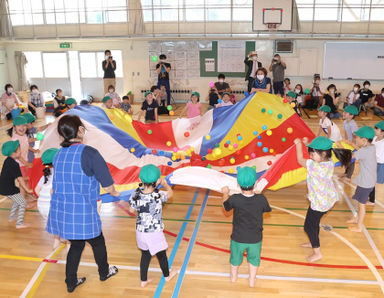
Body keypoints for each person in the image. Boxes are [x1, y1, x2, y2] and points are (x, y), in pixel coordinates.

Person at [46, 114, 120, 293]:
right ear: (80, 130)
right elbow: (108, 185)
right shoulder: (89, 153)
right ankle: (104, 272)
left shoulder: (58, 155)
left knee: (77, 244)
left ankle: (70, 282)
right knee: (97, 241)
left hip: (63, 210)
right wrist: (116, 193)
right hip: (83, 211)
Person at [294, 136, 351, 262]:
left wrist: (298, 145)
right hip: (325, 200)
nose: (310, 156)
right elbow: (316, 156)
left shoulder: (315, 166)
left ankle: (317, 252)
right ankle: (313, 241)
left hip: (319, 203)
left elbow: (299, 160)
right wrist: (307, 144)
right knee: (313, 224)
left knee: (308, 227)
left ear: (323, 153)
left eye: (312, 154)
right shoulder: (328, 161)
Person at [127, 164, 179, 287]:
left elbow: (131, 210)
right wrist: (166, 185)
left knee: (145, 255)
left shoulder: (136, 193)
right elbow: (170, 194)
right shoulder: (158, 195)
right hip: (154, 233)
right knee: (162, 255)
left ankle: (143, 280)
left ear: (140, 180)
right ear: (157, 181)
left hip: (140, 232)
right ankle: (167, 275)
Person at [221, 166, 271, 287]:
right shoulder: (261, 199)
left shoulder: (235, 199)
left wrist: (225, 193)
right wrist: (258, 195)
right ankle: (252, 280)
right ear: (255, 183)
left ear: (238, 184)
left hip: (238, 238)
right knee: (254, 260)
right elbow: (266, 209)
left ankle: (233, 277)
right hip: (255, 239)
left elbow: (226, 207)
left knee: (235, 259)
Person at [35, 148, 69, 249]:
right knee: (66, 221)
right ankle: (68, 243)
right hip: (51, 207)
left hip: (41, 207)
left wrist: (43, 198)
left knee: (55, 223)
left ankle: (56, 241)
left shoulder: (45, 175)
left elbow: (37, 190)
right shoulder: (59, 175)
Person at [345, 127, 376, 232]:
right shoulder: (371, 147)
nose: (356, 140)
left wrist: (341, 149)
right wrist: (351, 144)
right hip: (367, 180)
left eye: (357, 138)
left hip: (366, 182)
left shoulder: (364, 151)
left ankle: (359, 226)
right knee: (360, 201)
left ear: (364, 140)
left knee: (361, 204)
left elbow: (351, 158)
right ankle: (357, 219)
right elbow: (361, 150)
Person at [0, 141, 33, 229]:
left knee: (17, 200)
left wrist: (27, 178)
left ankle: (11, 218)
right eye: (19, 150)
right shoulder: (15, 164)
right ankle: (19, 224)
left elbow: (14, 176)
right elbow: (20, 179)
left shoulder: (8, 161)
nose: (20, 151)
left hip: (4, 187)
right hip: (8, 188)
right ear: (13, 153)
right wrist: (28, 190)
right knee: (23, 203)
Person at [368, 121, 384, 205]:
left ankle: (372, 200)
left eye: (376, 129)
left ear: (382, 132)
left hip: (379, 164)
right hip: (374, 162)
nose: (374, 130)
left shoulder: (382, 143)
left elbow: (376, 155)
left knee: (372, 181)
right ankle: (370, 197)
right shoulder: (374, 138)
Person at [342, 105, 359, 180]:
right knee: (347, 158)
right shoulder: (345, 122)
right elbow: (345, 132)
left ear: (351, 115)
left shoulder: (353, 124)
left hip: (353, 144)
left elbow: (355, 136)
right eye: (344, 112)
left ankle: (348, 176)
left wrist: (352, 146)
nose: (343, 113)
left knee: (351, 160)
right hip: (348, 143)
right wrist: (345, 142)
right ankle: (346, 173)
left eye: (346, 112)